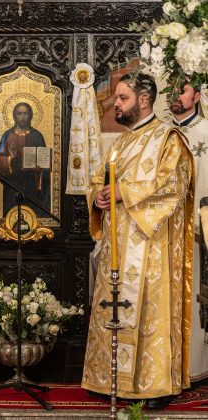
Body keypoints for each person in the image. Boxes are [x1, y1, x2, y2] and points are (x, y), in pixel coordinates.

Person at [81, 73, 194, 409]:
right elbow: (100, 179)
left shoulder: (167, 139)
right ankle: (109, 379)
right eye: (117, 98)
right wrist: (99, 196)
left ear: (144, 100)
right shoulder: (121, 142)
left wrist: (123, 192)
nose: (116, 104)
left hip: (151, 245)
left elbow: (175, 185)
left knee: (147, 312)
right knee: (113, 308)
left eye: (123, 98)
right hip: (117, 244)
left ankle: (153, 386)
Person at [169, 83, 208, 383]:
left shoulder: (206, 131)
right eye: (172, 91)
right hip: (165, 229)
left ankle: (197, 366)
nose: (176, 97)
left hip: (199, 229)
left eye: (182, 91)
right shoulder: (161, 133)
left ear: (196, 96)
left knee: (197, 296)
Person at [0, 102, 50, 215]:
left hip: (32, 184)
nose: (22, 117)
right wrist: (10, 158)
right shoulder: (7, 135)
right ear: (14, 115)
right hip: (12, 185)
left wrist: (40, 167)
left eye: (25, 113)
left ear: (30, 116)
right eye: (19, 113)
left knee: (33, 213)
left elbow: (44, 160)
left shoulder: (37, 136)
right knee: (11, 214)